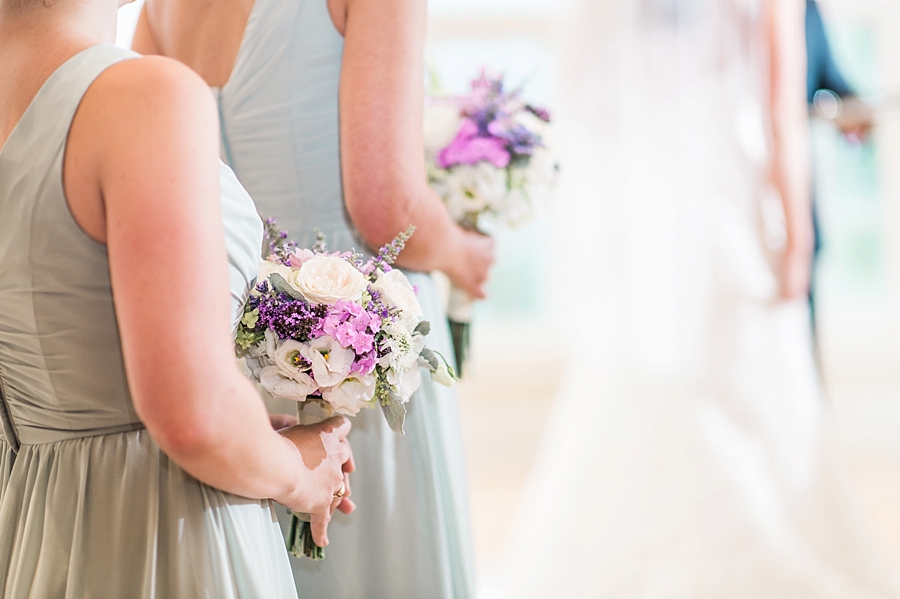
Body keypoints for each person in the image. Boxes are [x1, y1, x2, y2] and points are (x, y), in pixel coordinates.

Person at [493, 0, 900, 596]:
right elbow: (780, 115)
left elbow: (585, 95)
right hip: (733, 226)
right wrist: (799, 237)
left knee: (655, 391)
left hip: (654, 233)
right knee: (758, 395)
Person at [131, 0, 494, 596]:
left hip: (238, 384)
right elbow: (387, 209)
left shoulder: (161, 7)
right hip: (357, 365)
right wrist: (462, 252)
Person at [0, 0, 354, 595]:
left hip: (31, 527)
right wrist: (299, 473)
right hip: (163, 532)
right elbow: (193, 420)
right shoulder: (143, 95)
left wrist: (244, 431)